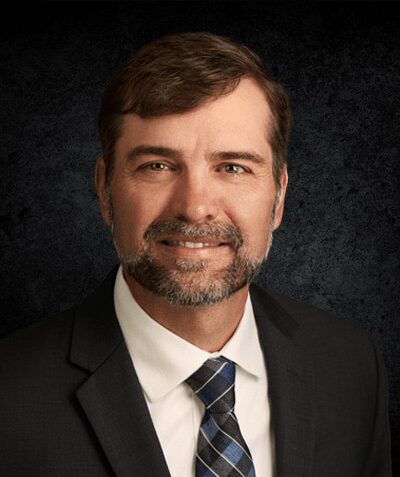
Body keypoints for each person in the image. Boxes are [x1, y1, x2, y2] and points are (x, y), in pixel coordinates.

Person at [0, 32, 392, 476]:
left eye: (232, 167)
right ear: (105, 192)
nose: (195, 206)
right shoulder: (9, 399)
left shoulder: (352, 366)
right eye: (158, 166)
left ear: (279, 197)